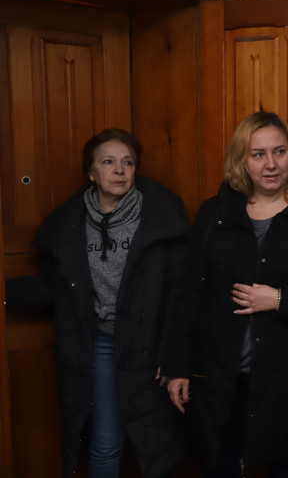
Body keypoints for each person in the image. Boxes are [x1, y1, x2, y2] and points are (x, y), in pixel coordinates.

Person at [162, 111, 288, 477]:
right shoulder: (213, 214)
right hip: (222, 381)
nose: (271, 164)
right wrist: (177, 365)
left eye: (279, 152)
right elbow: (190, 294)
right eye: (258, 154)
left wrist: (280, 300)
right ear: (241, 160)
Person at [4, 128, 191, 477]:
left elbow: (182, 294)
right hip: (102, 343)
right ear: (91, 172)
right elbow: (52, 289)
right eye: (108, 162)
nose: (119, 170)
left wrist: (175, 358)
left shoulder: (160, 219)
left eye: (127, 162)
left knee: (158, 444)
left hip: (150, 343)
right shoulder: (70, 225)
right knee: (105, 442)